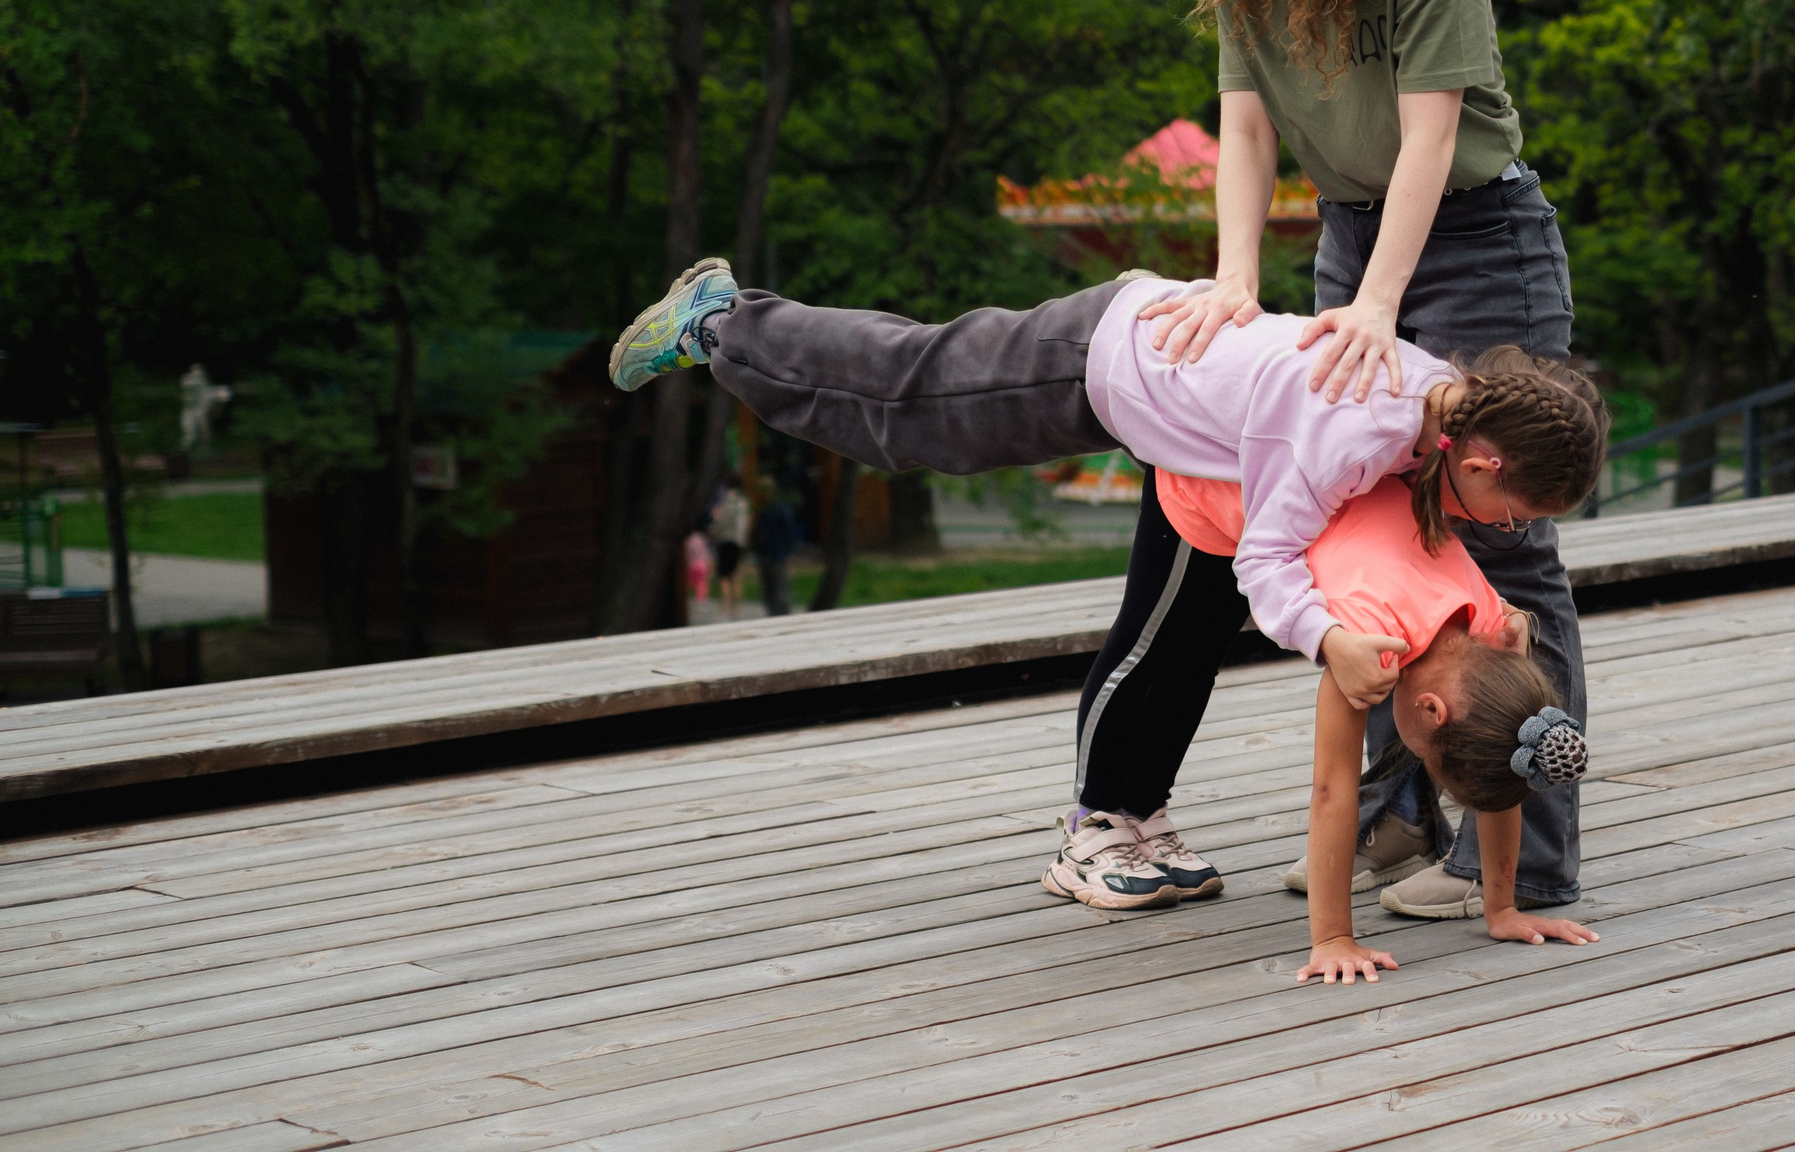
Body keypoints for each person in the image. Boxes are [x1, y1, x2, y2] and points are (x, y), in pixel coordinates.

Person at [609, 260, 1607, 905]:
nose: (1511, 532)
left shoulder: (1436, 405)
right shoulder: (1354, 431)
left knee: (1175, 614)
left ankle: (1127, 813)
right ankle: (724, 323)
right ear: (1478, 461)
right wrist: (1327, 639)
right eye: (1517, 512)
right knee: (903, 408)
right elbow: (1268, 560)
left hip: (1170, 402)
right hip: (1106, 360)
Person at [1108, 0, 1587, 922]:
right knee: (1357, 520)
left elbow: (1432, 130)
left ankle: (1521, 856)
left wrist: (1377, 305)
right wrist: (1231, 280)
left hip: (1475, 234)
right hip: (1349, 226)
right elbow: (1249, 124)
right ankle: (1391, 816)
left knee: (1501, 536)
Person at [1147, 470, 1597, 978]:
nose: (1419, 760)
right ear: (1430, 711)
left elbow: (1506, 763)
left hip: (1341, 477)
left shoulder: (1494, 628)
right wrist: (1334, 938)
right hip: (1220, 485)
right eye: (1429, 760)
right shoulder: (1365, 644)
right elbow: (1331, 790)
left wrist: (1501, 909)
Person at [750, 484, 802, 617]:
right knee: (769, 589)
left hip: (777, 553)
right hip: (765, 554)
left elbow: (789, 533)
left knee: (779, 589)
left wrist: (787, 551)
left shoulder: (780, 510)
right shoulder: (763, 510)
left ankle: (783, 616)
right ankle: (773, 615)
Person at [707, 477, 752, 616]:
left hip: (726, 540)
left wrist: (713, 527)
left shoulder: (727, 501)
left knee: (724, 575)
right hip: (739, 542)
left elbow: (721, 522)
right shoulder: (744, 502)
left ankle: (726, 605)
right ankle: (737, 607)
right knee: (736, 573)